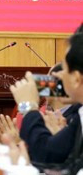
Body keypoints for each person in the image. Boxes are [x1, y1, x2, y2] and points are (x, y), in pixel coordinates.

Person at [12, 24, 83, 166]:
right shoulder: (78, 114)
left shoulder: (73, 113)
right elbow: (51, 154)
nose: (58, 75)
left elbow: (44, 153)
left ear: (76, 78)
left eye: (65, 69)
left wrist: (28, 107)